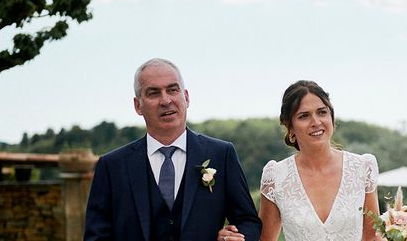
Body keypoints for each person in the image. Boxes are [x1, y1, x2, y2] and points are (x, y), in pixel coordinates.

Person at [84, 58, 261, 241]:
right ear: (138, 106)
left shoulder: (221, 154)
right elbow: (95, 236)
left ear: (186, 97)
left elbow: (248, 221)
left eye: (172, 90)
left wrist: (236, 239)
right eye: (153, 93)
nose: (166, 100)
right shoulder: (111, 166)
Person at [218, 80, 380, 241]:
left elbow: (373, 237)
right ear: (290, 127)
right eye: (304, 116)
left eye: (322, 112)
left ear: (331, 117)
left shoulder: (362, 167)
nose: (316, 122)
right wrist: (233, 237)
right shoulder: (276, 176)